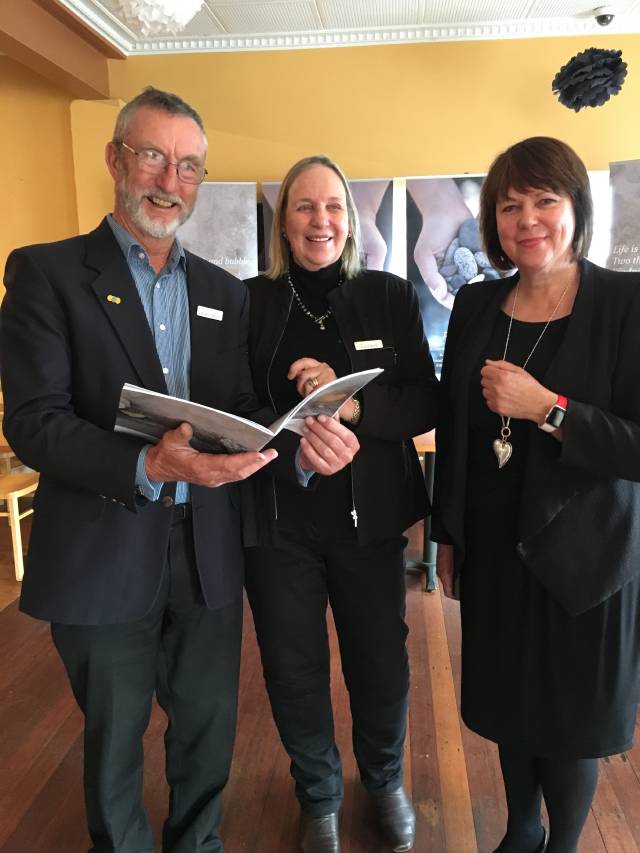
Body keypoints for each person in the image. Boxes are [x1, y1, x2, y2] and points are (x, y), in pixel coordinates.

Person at [0, 89, 359, 853]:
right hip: (101, 547)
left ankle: (198, 843)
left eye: (190, 165)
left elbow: (235, 411)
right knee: (114, 738)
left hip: (207, 549)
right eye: (153, 157)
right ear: (115, 159)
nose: (171, 180)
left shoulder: (223, 292)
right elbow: (33, 421)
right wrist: (143, 462)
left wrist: (297, 445)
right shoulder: (46, 274)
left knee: (207, 726)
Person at [432, 136, 640, 853]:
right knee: (511, 702)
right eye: (509, 205)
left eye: (544, 200)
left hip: (588, 557)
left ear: (575, 206)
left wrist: (548, 409)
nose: (527, 220)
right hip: (495, 547)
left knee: (572, 717)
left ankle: (564, 844)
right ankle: (521, 832)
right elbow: (456, 428)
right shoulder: (476, 303)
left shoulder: (625, 302)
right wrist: (447, 534)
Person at [244, 155, 439, 853]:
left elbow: (425, 400)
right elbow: (234, 405)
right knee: (292, 668)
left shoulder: (390, 295)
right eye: (304, 206)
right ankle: (319, 796)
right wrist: (295, 439)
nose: (319, 220)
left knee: (380, 665)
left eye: (333, 206)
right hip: (280, 522)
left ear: (352, 221)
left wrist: (351, 404)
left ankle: (384, 781)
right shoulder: (251, 302)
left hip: (370, 525)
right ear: (283, 222)